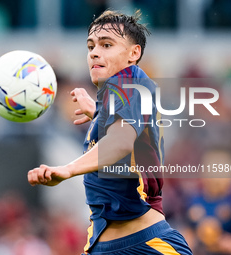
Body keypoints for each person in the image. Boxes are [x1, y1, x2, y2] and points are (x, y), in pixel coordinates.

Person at [28, 10, 192, 254]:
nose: (95, 52)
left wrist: (68, 169)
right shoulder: (116, 98)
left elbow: (121, 142)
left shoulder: (130, 81)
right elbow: (132, 139)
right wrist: (99, 114)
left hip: (146, 246)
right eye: (91, 46)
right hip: (101, 246)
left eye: (107, 45)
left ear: (133, 53)